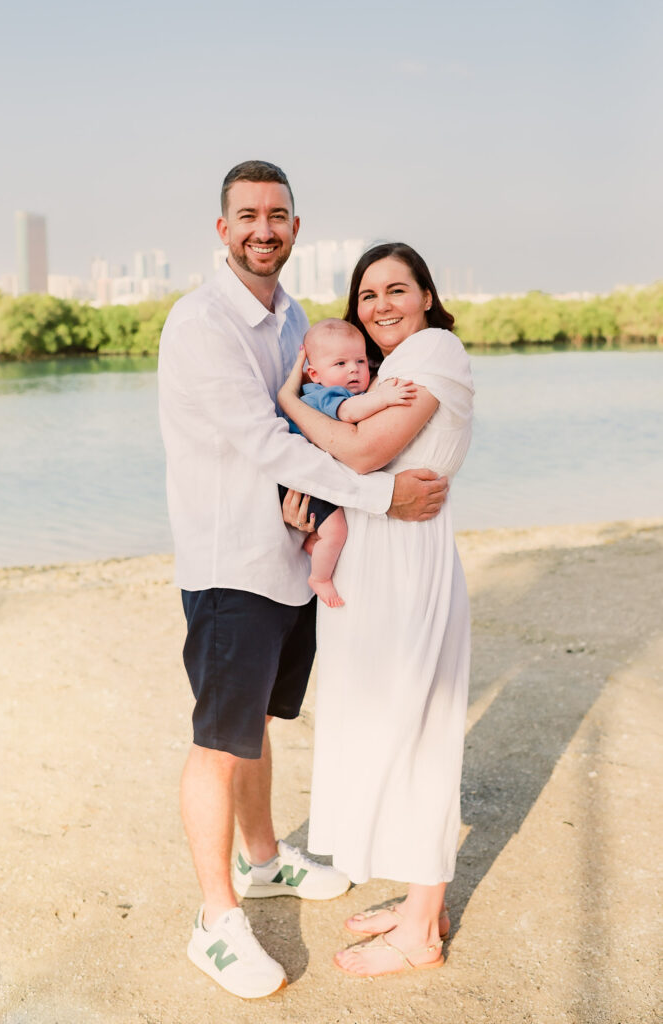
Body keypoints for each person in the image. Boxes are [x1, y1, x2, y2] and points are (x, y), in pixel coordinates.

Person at [157, 163, 450, 1000]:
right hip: (231, 566)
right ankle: (215, 922)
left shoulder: (291, 317)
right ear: (222, 229)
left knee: (257, 725)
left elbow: (319, 415)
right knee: (218, 741)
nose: (263, 227)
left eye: (277, 214)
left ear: (294, 225)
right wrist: (382, 493)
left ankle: (262, 861)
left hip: (290, 560)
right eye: (246, 214)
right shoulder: (202, 323)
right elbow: (271, 442)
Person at [278, 241, 474, 978]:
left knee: (417, 732)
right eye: (367, 295)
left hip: (406, 563)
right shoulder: (389, 370)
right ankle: (425, 901)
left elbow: (359, 457)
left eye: (397, 288)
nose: (382, 304)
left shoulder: (436, 351)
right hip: (373, 561)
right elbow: (348, 458)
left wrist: (292, 402)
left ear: (426, 294)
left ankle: (421, 932)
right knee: (387, 730)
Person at [280, 317, 417, 608]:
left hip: (312, 475)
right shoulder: (322, 395)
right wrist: (385, 397)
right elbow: (350, 413)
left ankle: (313, 544)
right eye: (340, 364)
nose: (353, 369)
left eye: (360, 361)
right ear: (314, 374)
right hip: (304, 480)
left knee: (331, 530)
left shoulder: (341, 389)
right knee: (338, 530)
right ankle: (320, 577)